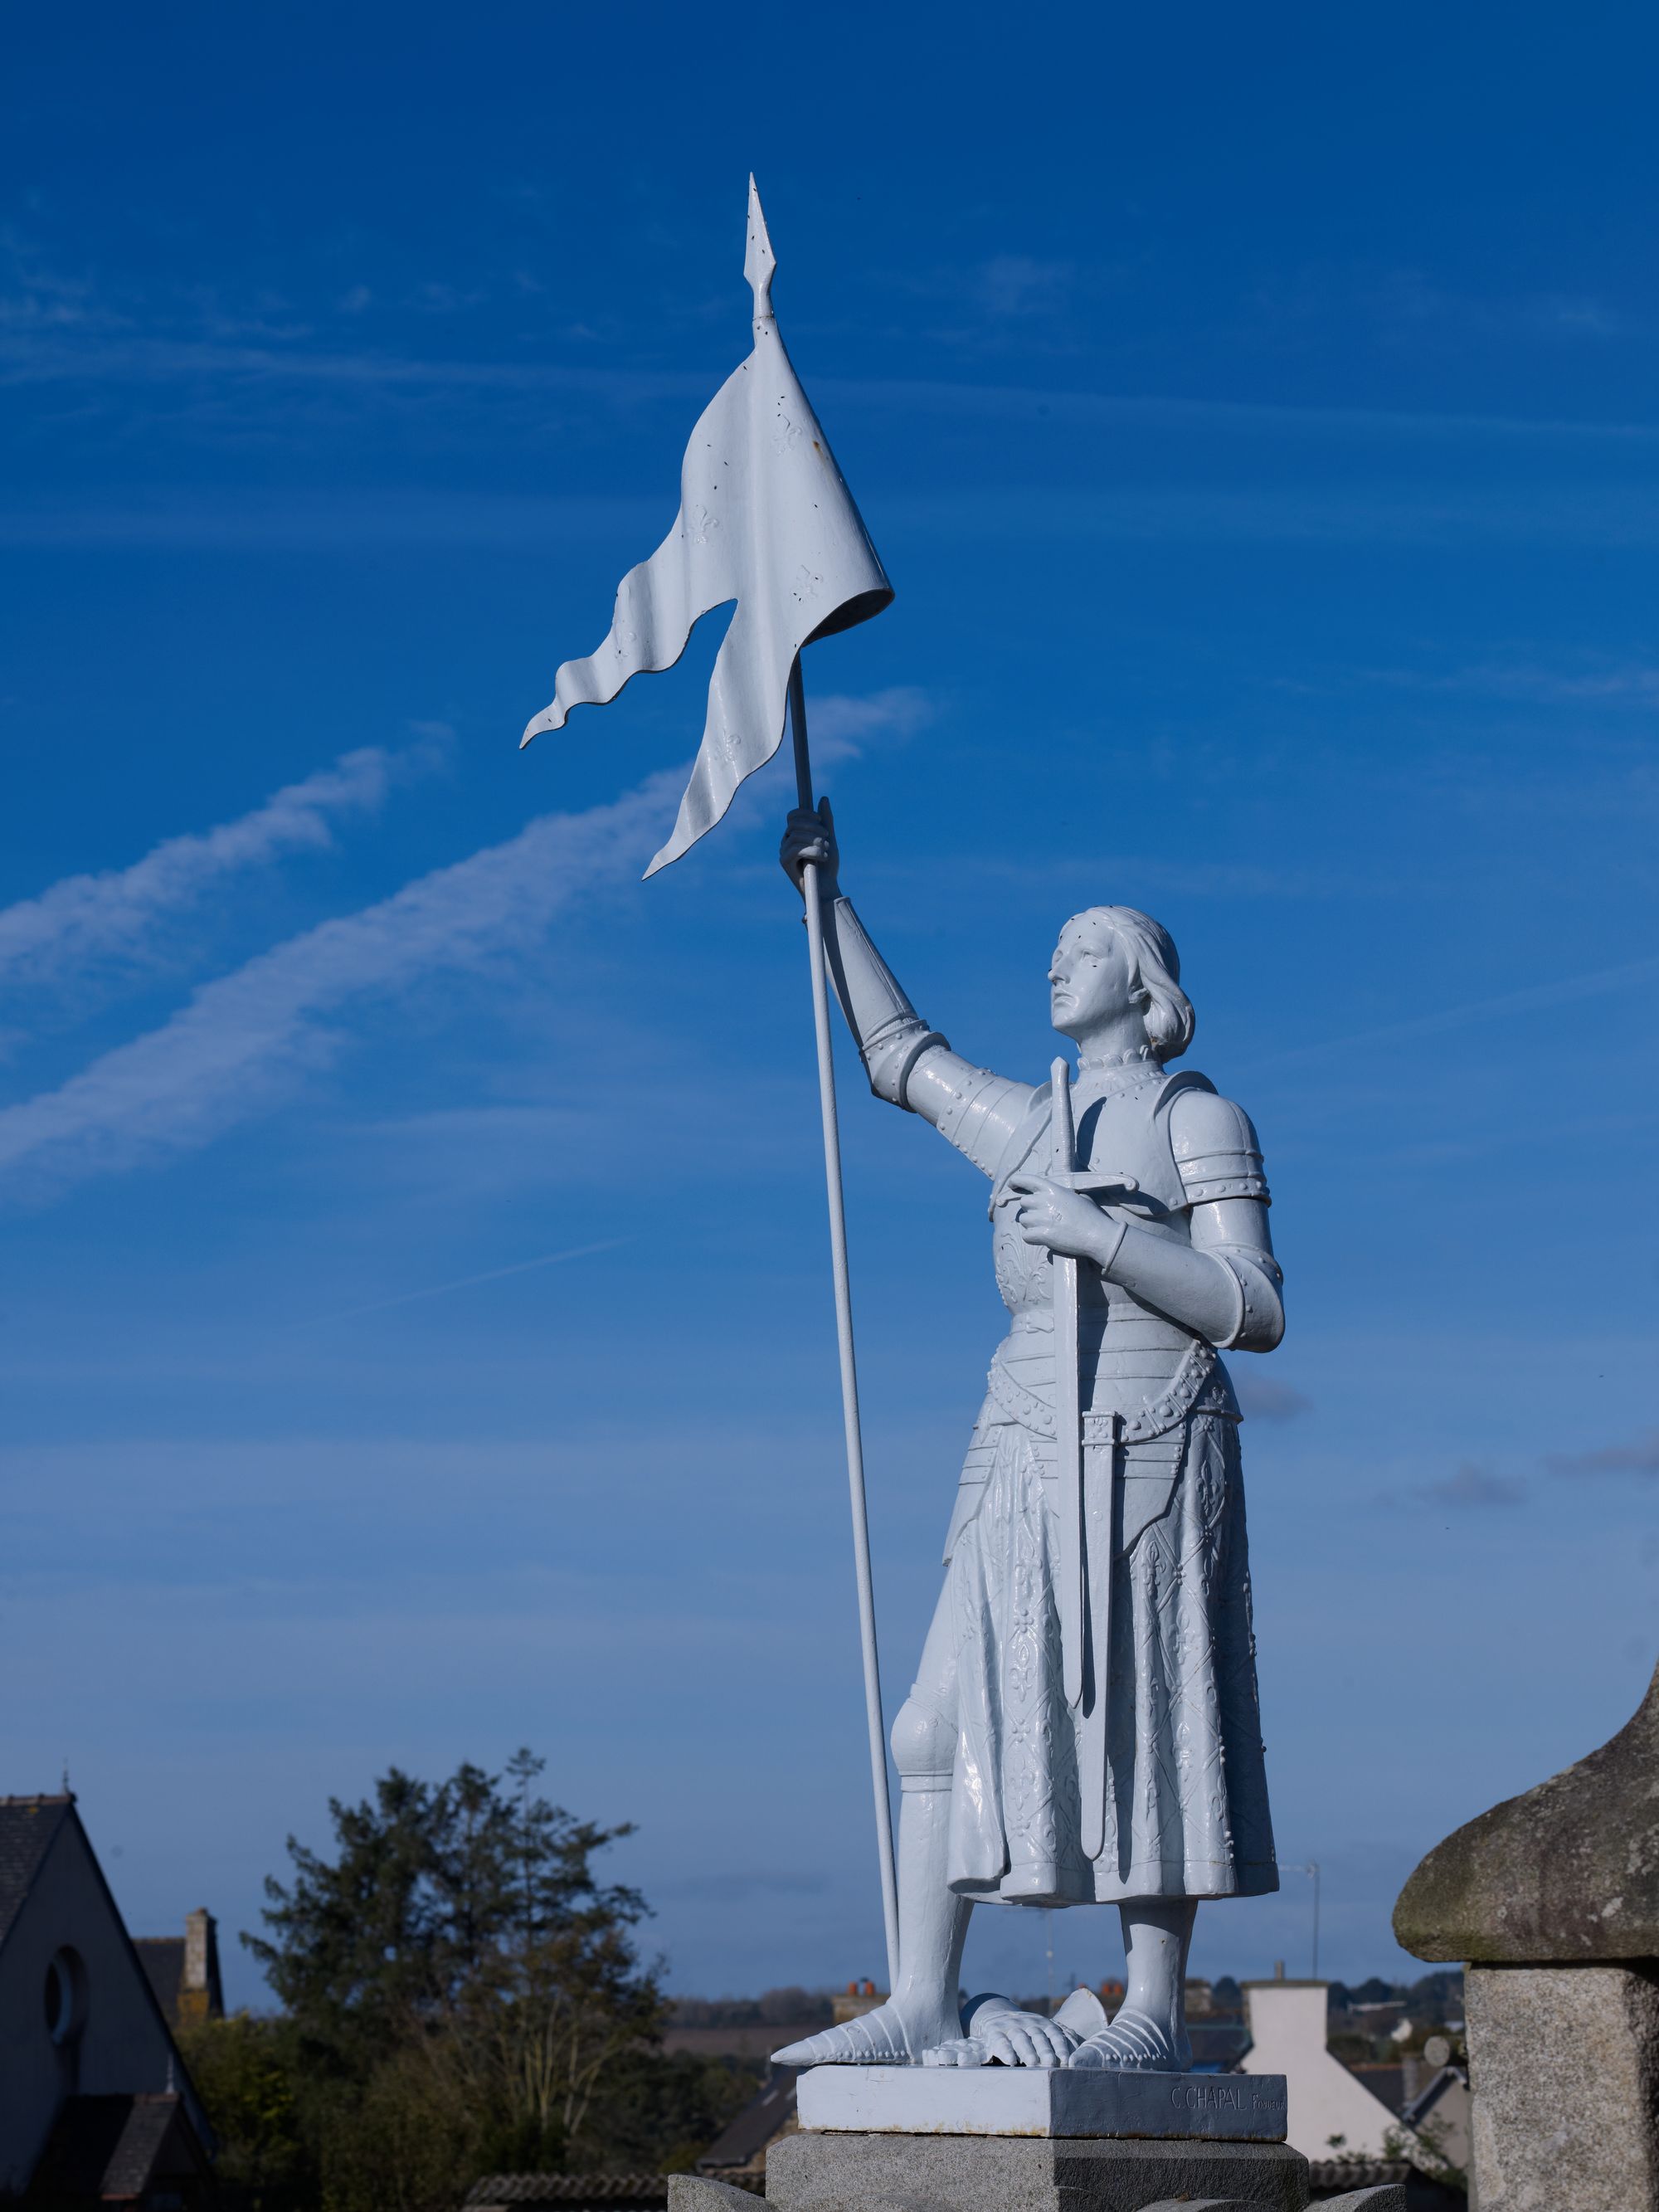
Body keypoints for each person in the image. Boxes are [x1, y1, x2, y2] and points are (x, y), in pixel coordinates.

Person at [772, 802, 1283, 2073]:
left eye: (1083, 947)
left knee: (1152, 1719)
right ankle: (924, 1997)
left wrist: (1102, 1233)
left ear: (1143, 982)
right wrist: (825, 901)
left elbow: (1256, 1304)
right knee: (930, 1725)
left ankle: (1152, 2005)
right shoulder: (1030, 1118)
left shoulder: (1196, 1116)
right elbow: (898, 1056)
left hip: (1151, 1435)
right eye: (1055, 949)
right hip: (1018, 1433)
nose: (1057, 964)